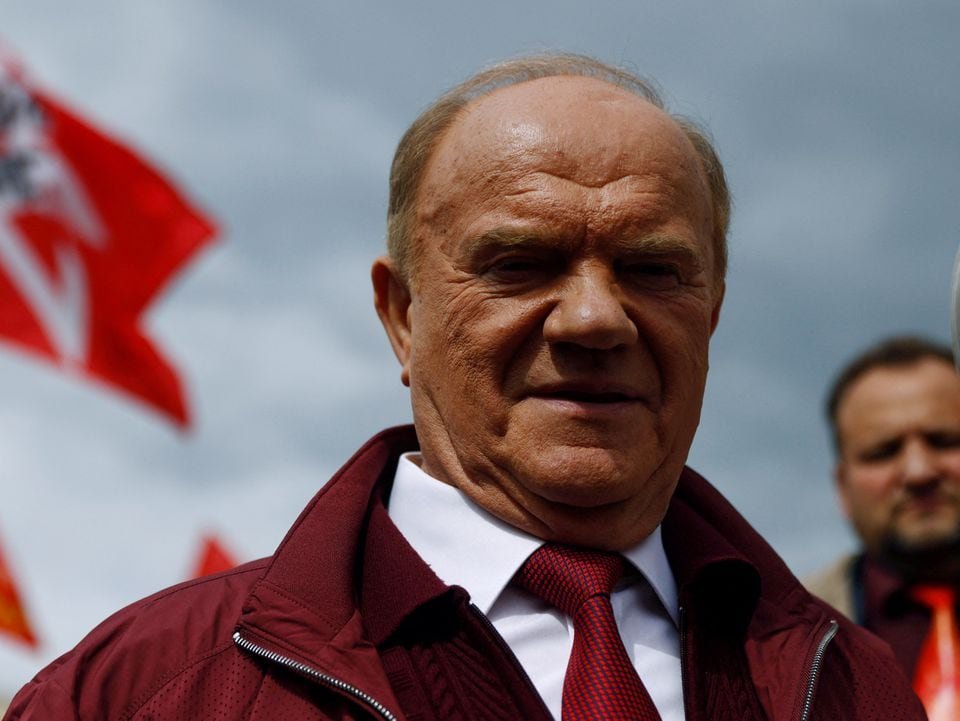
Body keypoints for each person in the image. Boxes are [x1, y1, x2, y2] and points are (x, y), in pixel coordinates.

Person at [6, 53, 923, 721]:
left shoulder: (859, 687)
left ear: (713, 312)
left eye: (651, 269)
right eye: (521, 263)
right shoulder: (139, 693)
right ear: (401, 313)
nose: (595, 319)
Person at [806, 335, 960, 712]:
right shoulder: (783, 637)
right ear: (843, 487)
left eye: (944, 441)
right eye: (884, 452)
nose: (919, 472)